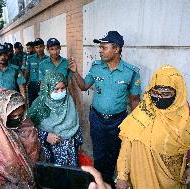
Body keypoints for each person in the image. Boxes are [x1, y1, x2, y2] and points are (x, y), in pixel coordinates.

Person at [69, 31, 141, 187]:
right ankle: (100, 183)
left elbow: (135, 100)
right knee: (99, 156)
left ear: (116, 49)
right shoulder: (96, 67)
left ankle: (107, 183)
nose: (100, 50)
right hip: (97, 120)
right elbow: (83, 86)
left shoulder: (130, 72)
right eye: (99, 47)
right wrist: (75, 72)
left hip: (118, 122)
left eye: (104, 47)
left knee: (114, 156)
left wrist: (136, 127)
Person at [116, 65, 190, 189]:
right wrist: (122, 176)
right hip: (142, 181)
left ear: (178, 93)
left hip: (172, 181)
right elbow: (126, 148)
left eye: (166, 93)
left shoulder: (185, 118)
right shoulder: (140, 115)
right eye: (155, 92)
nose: (159, 97)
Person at [0, 89, 40, 189]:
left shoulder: (26, 125)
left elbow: (36, 152)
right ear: (1, 115)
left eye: (20, 115)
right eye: (12, 116)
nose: (18, 119)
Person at [28, 72, 82, 166]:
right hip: (46, 150)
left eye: (63, 88)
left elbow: (75, 125)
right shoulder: (39, 104)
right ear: (47, 89)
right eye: (56, 89)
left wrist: (78, 142)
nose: (60, 92)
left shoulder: (69, 100)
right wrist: (45, 136)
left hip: (69, 151)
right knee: (51, 176)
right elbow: (28, 129)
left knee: (68, 176)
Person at [23, 38, 49, 106]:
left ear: (44, 47)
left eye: (40, 47)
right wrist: (24, 86)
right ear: (34, 48)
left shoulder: (48, 59)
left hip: (44, 85)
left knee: (44, 105)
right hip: (32, 85)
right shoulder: (30, 59)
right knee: (32, 104)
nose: (39, 49)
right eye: (37, 47)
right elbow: (27, 72)